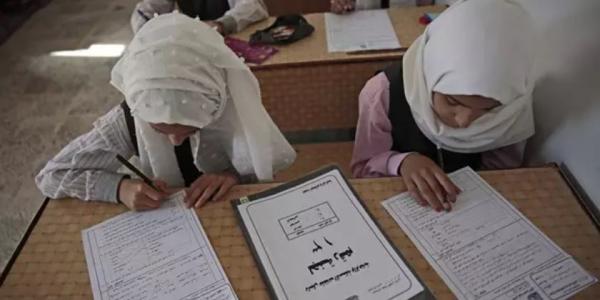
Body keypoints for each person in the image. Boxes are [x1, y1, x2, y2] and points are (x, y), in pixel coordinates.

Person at [36, 13, 296, 211]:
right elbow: (52, 175)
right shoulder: (131, 117)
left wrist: (233, 175)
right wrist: (120, 188)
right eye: (159, 129)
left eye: (192, 128)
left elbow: (263, 168)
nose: (175, 141)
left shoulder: (231, 106)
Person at [351, 0, 535, 212]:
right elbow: (363, 168)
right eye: (452, 101)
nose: (464, 121)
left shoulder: (512, 106)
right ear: (429, 74)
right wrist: (401, 162)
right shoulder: (381, 94)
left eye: (487, 110)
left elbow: (505, 172)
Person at [131, 0, 269, 35]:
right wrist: (146, 32)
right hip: (198, 41)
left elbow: (253, 7)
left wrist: (221, 24)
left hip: (231, 37)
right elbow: (145, 10)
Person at [330, 0, 448, 14]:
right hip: (363, 31)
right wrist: (338, 6)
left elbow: (426, 8)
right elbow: (337, 7)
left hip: (405, 39)